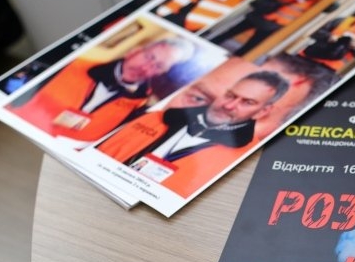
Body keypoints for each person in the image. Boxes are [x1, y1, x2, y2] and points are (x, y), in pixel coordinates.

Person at [96, 70, 289, 196]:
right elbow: (99, 158)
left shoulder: (247, 159)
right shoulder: (156, 118)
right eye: (230, 95)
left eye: (247, 102)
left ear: (263, 111)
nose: (229, 105)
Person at [7, 37, 195, 142]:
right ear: (135, 51)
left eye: (158, 66)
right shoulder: (74, 63)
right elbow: (11, 88)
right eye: (149, 57)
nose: (146, 68)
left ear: (161, 73)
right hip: (15, 133)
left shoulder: (141, 106)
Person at [209, 0, 342, 57]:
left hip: (274, 26)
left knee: (250, 48)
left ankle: (230, 62)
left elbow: (333, 8)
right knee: (228, 33)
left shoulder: (321, 0)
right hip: (261, 15)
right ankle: (209, 45)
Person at [298, 6, 355, 73]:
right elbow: (316, 31)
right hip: (308, 56)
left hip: (327, 68)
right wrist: (329, 36)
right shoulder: (344, 20)